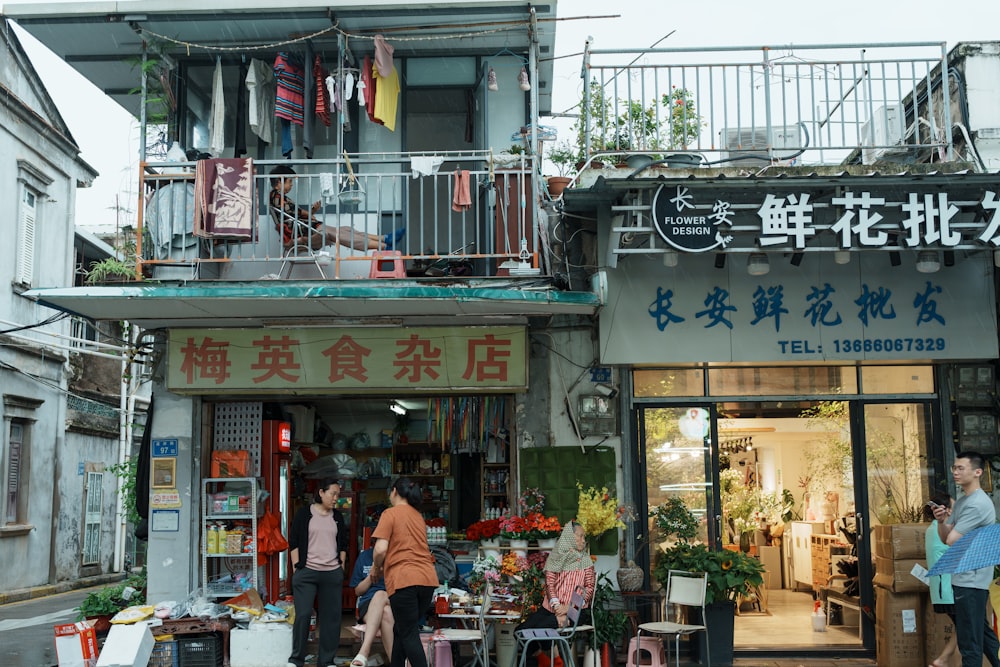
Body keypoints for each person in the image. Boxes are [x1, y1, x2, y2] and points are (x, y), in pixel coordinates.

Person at [933, 452, 1000, 667]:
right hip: (965, 577)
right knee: (982, 634)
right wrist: (941, 521)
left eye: (961, 468)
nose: (955, 472)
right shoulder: (963, 501)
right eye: (954, 467)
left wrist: (949, 529)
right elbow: (945, 537)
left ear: (977, 472)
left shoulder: (977, 504)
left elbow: (952, 539)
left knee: (969, 642)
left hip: (971, 579)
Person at [370, 478, 438, 667]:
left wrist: (376, 567)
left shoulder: (390, 514)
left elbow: (380, 549)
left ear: (394, 492)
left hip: (404, 579)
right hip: (427, 579)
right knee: (401, 629)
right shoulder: (418, 516)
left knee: (408, 633)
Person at [514, 521, 596, 667]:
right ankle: (544, 660)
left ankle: (557, 662)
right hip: (551, 608)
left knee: (543, 627)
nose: (583, 540)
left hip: (575, 612)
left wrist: (569, 608)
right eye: (580, 536)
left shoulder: (586, 562)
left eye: (584, 537)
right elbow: (549, 584)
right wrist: (558, 606)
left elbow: (589, 588)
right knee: (520, 631)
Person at [269, 165, 405, 252]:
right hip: (303, 232)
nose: (291, 185)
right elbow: (295, 216)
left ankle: (384, 239)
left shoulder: (280, 198)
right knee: (339, 234)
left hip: (308, 227)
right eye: (289, 182)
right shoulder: (277, 197)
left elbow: (296, 215)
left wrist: (312, 211)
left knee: (346, 229)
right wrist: (309, 214)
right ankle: (384, 246)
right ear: (279, 181)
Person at [287, 478, 349, 667]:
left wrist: (341, 568)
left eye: (338, 495)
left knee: (331, 618)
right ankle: (296, 659)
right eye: (333, 494)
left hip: (331, 572)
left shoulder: (337, 517)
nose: (336, 499)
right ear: (321, 492)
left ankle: (326, 660)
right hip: (307, 572)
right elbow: (294, 541)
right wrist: (297, 568)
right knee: (303, 614)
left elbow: (343, 544)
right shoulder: (304, 514)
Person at [349, 536, 394, 667]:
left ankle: (364, 651)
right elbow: (358, 591)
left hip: (393, 600)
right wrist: (372, 576)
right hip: (369, 604)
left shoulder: (396, 557)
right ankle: (396, 662)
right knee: (386, 613)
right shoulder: (364, 557)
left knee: (381, 594)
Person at [925, 493, 957, 667]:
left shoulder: (932, 529)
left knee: (966, 625)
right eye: (953, 507)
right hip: (948, 589)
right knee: (968, 625)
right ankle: (943, 659)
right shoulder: (941, 531)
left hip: (942, 590)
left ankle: (944, 659)